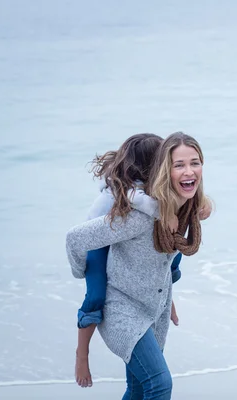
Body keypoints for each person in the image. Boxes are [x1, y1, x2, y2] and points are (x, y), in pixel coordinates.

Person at [67, 132, 208, 399]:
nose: (188, 171)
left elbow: (162, 261)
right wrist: (80, 270)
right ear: (163, 168)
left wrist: (169, 295)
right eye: (179, 164)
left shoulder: (182, 208)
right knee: (159, 384)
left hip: (153, 307)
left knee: (139, 388)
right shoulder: (139, 214)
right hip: (122, 308)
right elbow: (75, 238)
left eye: (195, 163)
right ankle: (81, 351)